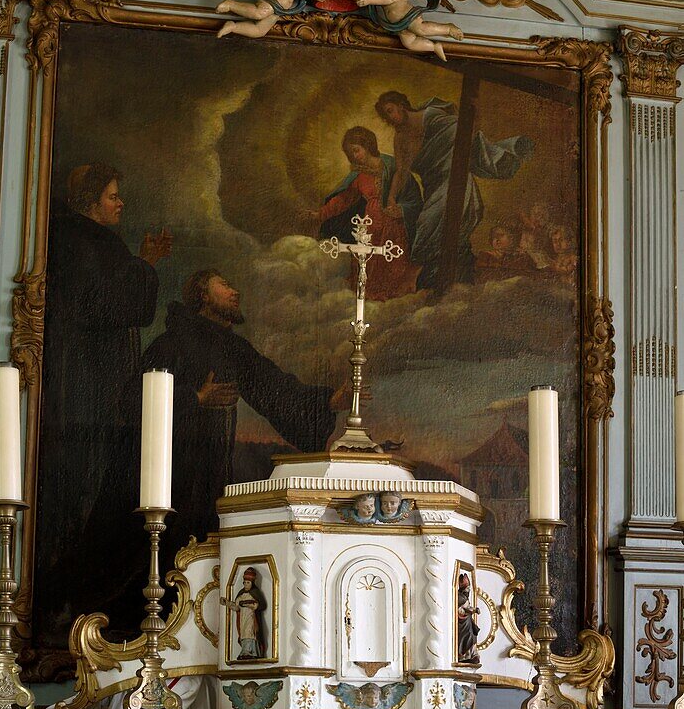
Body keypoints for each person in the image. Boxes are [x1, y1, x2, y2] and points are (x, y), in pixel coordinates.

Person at [35, 163, 171, 645]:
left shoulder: (85, 242)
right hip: (84, 394)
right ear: (91, 202)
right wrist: (146, 265)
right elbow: (114, 306)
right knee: (79, 499)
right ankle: (58, 606)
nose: (120, 204)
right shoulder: (84, 242)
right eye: (113, 196)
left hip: (91, 392)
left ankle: (67, 603)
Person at [141, 270, 340, 555]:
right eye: (225, 285)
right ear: (203, 296)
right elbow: (135, 401)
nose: (235, 292)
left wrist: (328, 401)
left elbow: (273, 387)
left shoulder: (232, 347)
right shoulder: (171, 343)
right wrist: (195, 398)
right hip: (169, 471)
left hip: (212, 471)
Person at [375, 90, 534, 289]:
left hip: (454, 178)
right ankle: (435, 280)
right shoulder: (400, 138)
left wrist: (474, 116)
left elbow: (464, 132)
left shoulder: (431, 115)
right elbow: (401, 171)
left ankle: (509, 151)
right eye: (386, 116)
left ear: (401, 105)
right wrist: (391, 198)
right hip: (433, 185)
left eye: (391, 111)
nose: (390, 118)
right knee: (430, 226)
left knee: (431, 222)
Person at [315, 126, 422, 300]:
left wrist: (401, 210)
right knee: (367, 270)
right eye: (351, 153)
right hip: (370, 227)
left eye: (357, 150)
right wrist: (319, 214)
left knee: (392, 268)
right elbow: (343, 200)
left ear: (368, 146)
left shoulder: (394, 168)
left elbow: (414, 200)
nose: (355, 156)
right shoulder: (359, 175)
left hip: (393, 229)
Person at [221, 567, 267, 660]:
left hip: (251, 618)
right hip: (242, 618)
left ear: (252, 583)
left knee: (250, 633)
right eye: (245, 583)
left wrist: (254, 605)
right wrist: (227, 603)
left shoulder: (255, 593)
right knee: (244, 634)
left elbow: (262, 605)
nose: (246, 585)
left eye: (248, 583)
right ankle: (245, 651)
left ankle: (251, 652)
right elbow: (236, 607)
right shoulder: (241, 594)